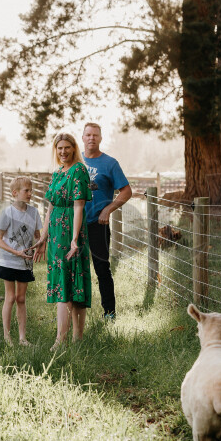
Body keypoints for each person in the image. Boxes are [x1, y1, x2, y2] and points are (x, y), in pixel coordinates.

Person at [32, 132, 92, 350]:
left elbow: (79, 206)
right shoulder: (57, 173)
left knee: (72, 282)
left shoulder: (79, 170)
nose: (63, 152)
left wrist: (75, 239)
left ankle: (66, 340)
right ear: (55, 150)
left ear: (74, 148)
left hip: (71, 232)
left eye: (67, 147)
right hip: (56, 234)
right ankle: (69, 339)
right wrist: (43, 236)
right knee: (63, 282)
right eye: (59, 148)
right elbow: (50, 208)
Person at [81, 122, 131, 319]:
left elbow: (126, 191)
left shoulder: (110, 163)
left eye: (95, 135)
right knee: (74, 268)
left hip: (97, 224)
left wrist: (108, 209)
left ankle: (109, 313)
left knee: (102, 268)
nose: (91, 138)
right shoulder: (76, 161)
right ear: (82, 138)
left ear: (100, 138)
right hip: (75, 225)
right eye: (88, 135)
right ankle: (72, 311)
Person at [0, 176, 43, 346]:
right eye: (26, 190)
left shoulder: (34, 212)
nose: (30, 193)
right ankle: (7, 337)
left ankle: (22, 338)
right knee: (10, 297)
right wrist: (15, 252)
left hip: (25, 263)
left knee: (21, 299)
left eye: (31, 190)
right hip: (8, 261)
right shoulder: (7, 213)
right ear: (15, 193)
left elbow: (38, 236)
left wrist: (41, 245)